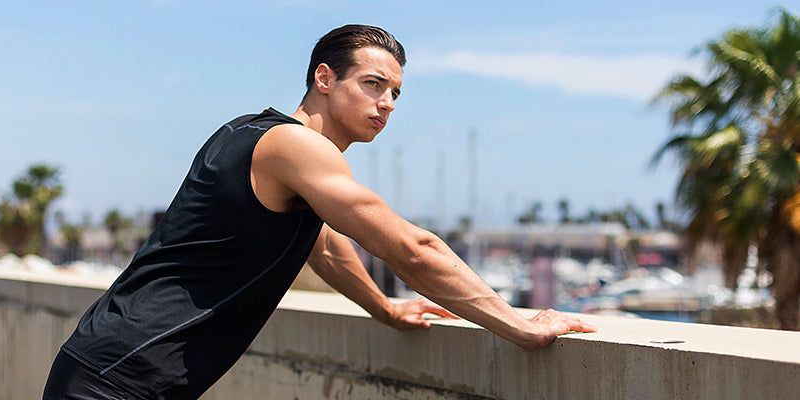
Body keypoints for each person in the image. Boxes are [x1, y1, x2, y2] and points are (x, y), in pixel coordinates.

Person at [43, 24, 596, 400]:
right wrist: (519, 324)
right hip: (118, 380)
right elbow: (410, 247)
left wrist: (382, 307)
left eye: (396, 93)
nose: (387, 104)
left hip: (112, 367)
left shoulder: (247, 131)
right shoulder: (294, 146)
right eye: (373, 85)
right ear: (324, 79)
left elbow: (324, 246)